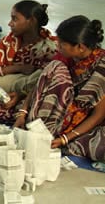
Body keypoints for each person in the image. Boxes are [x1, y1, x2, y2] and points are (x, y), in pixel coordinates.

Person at [14, 15, 105, 161]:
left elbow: (98, 115)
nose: (58, 47)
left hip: (84, 123)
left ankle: (45, 132)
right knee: (54, 67)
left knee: (98, 145)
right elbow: (42, 82)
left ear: (80, 47)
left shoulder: (101, 69)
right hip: (62, 112)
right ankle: (41, 129)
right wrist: (23, 112)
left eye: (62, 44)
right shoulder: (67, 57)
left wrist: (66, 139)